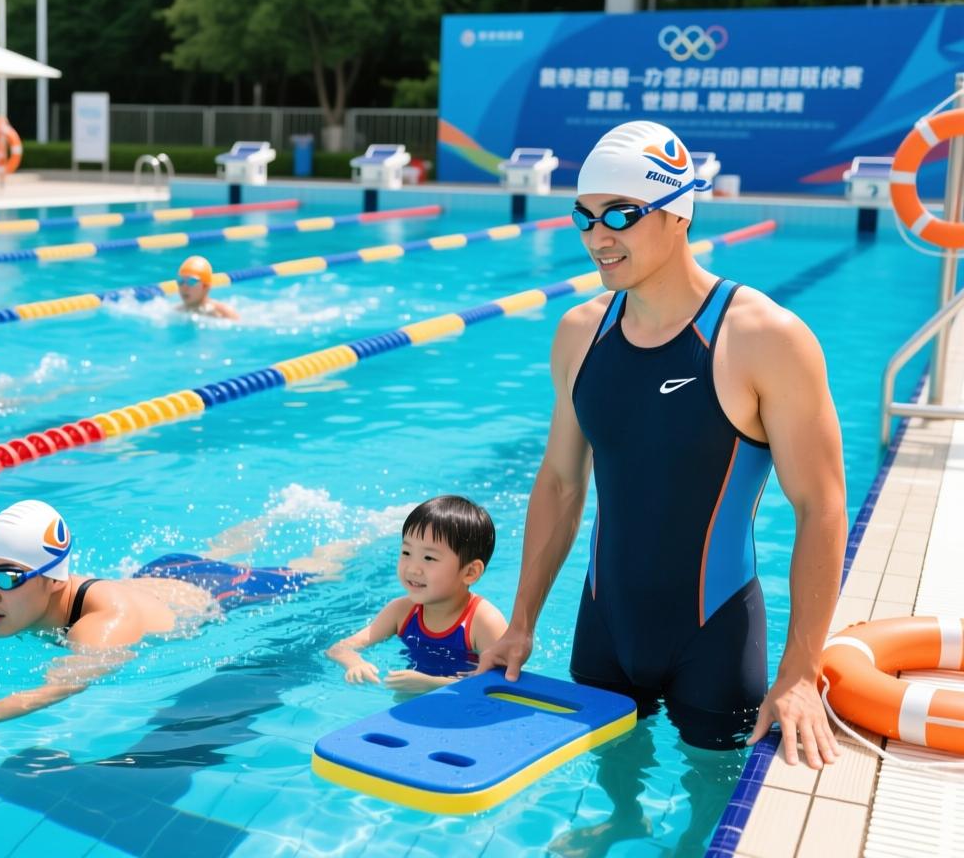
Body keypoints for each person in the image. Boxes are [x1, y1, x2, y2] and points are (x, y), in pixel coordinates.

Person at [477, 121, 847, 768]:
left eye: (621, 215)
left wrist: (799, 674)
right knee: (603, 804)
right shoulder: (580, 334)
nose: (598, 237)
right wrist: (521, 623)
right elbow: (562, 483)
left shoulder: (764, 338)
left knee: (708, 817)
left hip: (717, 641)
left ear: (678, 213)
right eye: (584, 218)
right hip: (603, 632)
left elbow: (821, 507)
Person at [0, 499, 360, 766]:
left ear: (52, 581)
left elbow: (55, 688)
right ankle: (255, 523)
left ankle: (347, 536)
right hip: (157, 573)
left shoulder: (105, 626)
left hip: (220, 597)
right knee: (210, 550)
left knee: (311, 570)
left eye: (5, 577)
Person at [326, 495, 508, 693]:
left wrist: (431, 684)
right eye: (406, 553)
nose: (413, 569)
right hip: (411, 695)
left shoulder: (483, 622)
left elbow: (501, 682)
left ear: (470, 572)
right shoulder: (401, 611)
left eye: (429, 557)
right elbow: (340, 648)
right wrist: (355, 664)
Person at [175, 255, 240, 320]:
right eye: (180, 281)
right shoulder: (176, 311)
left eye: (192, 281)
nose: (184, 287)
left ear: (205, 287)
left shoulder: (224, 313)